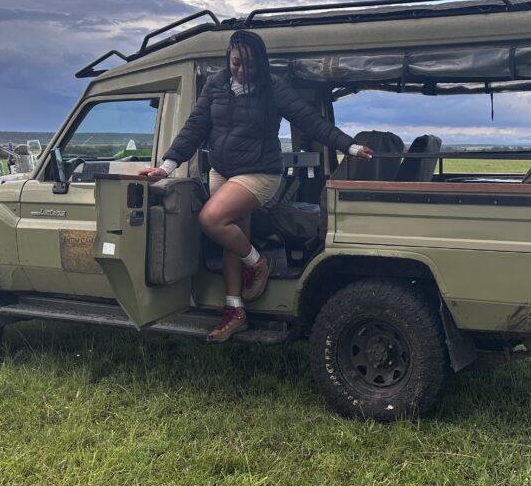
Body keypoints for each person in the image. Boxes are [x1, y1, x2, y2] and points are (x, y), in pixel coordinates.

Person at [139, 30, 372, 342]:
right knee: (231, 236)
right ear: (229, 58)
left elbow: (308, 119)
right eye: (236, 63)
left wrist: (350, 146)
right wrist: (166, 166)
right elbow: (195, 126)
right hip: (222, 171)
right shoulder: (217, 83)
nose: (241, 70)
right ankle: (235, 311)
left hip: (259, 173)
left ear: (260, 64)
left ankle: (258, 263)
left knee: (211, 219)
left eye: (248, 65)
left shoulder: (273, 87)